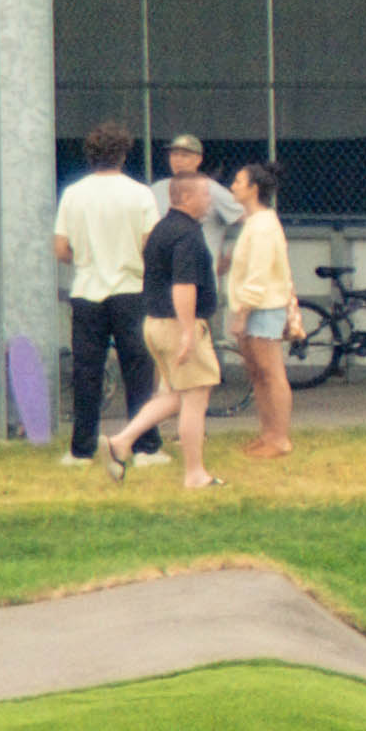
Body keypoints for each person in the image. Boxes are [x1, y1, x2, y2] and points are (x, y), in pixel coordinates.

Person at [101, 171, 224, 490]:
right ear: (185, 197)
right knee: (196, 398)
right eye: (205, 195)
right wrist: (187, 333)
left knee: (173, 395)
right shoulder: (187, 236)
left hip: (153, 323)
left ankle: (120, 442)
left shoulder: (161, 230)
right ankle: (195, 474)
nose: (209, 201)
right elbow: (184, 285)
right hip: (177, 325)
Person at [50, 122, 162, 464]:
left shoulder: (73, 193)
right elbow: (151, 244)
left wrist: (86, 259)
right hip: (131, 289)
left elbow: (61, 248)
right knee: (138, 370)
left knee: (87, 371)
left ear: (90, 156)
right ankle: (144, 445)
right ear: (124, 154)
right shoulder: (140, 194)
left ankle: (81, 449)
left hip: (86, 291)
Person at [224, 159, 301, 456]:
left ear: (254, 189)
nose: (232, 186)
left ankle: (280, 439)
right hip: (253, 306)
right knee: (257, 373)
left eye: (238, 182)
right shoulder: (254, 223)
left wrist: (242, 314)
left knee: (271, 373)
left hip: (264, 307)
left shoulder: (264, 226)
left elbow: (258, 274)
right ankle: (267, 434)